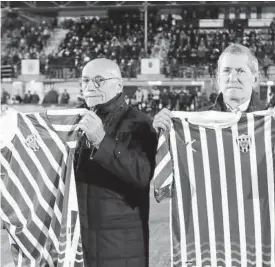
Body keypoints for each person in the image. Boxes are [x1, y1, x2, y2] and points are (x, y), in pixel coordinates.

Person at [74, 58, 158, 267]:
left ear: (118, 85)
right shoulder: (75, 121)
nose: (90, 86)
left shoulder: (141, 124)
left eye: (99, 80)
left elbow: (142, 175)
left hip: (121, 249)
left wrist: (102, 141)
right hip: (81, 246)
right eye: (85, 81)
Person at [153, 43, 262, 132]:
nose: (232, 78)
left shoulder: (270, 122)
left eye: (241, 71)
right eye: (226, 71)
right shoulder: (196, 123)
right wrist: (159, 133)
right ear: (218, 79)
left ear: (255, 79)